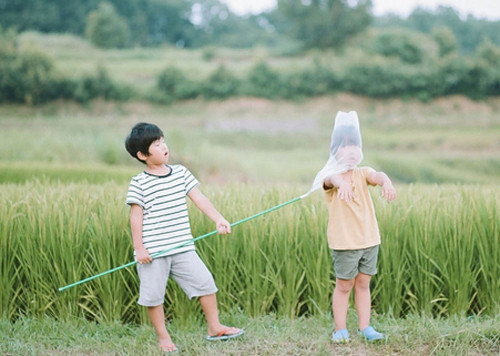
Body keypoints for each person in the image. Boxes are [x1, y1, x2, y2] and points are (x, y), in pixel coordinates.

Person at [125, 122, 244, 353]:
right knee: (153, 296)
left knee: (205, 283)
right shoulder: (139, 182)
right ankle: (163, 337)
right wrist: (139, 248)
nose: (164, 147)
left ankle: (214, 327)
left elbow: (199, 198)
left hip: (183, 247)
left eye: (163, 142)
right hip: (154, 251)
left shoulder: (180, 172)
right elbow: (135, 217)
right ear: (142, 155)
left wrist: (218, 218)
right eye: (156, 145)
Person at [316, 111, 396, 343]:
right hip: (345, 242)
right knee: (344, 285)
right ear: (335, 150)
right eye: (345, 146)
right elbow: (331, 181)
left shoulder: (363, 173)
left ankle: (365, 327)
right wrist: (341, 182)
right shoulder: (330, 175)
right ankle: (340, 329)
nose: (351, 150)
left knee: (363, 284)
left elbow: (377, 175)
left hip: (369, 240)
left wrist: (386, 180)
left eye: (354, 145)